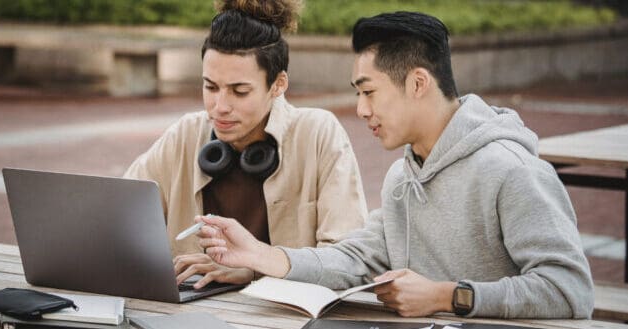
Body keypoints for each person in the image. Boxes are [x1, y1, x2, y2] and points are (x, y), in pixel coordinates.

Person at [195, 11, 594, 319]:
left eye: (369, 91)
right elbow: (354, 259)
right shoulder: (403, 178)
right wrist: (260, 255)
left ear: (418, 83)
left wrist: (448, 295)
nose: (361, 109)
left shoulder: (512, 171)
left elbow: (569, 289)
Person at [123, 0, 367, 289]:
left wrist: (254, 269)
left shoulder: (319, 134)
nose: (220, 106)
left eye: (239, 91)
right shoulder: (186, 133)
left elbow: (351, 265)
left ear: (278, 85)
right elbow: (117, 217)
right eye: (210, 87)